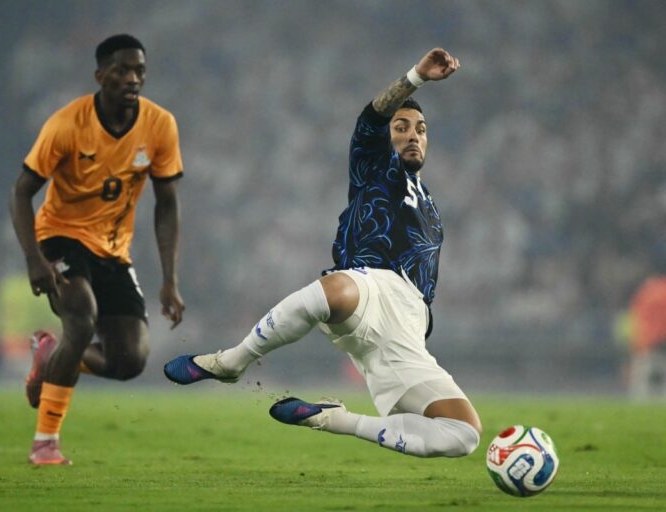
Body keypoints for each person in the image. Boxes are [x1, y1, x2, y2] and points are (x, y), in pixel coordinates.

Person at [164, 48, 482, 459]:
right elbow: (371, 117)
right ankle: (231, 362)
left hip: (409, 326)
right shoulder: (376, 167)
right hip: (369, 285)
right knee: (331, 292)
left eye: (420, 129)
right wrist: (416, 77)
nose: (412, 135)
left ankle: (335, 418)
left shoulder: (432, 208)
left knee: (464, 435)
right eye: (401, 127)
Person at [10, 34, 185, 465]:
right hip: (60, 235)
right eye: (123, 70)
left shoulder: (160, 125)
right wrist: (34, 258)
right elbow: (21, 193)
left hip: (113, 251)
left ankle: (52, 353)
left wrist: (169, 279)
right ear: (100, 75)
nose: (133, 78)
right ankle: (45, 443)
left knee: (129, 361)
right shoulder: (67, 125)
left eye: (139, 70)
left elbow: (167, 205)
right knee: (82, 318)